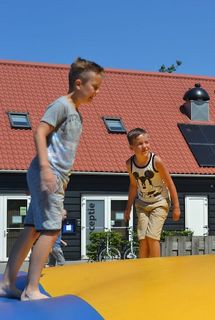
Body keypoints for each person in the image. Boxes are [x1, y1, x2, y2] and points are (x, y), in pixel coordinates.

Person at [0, 57, 104, 301]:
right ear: (78, 83)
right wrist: (45, 170)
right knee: (51, 229)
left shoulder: (76, 113)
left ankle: (6, 282)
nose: (96, 93)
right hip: (49, 173)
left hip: (51, 175)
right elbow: (39, 131)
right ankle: (31, 288)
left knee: (32, 229)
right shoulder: (62, 105)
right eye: (94, 87)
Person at [124, 128, 181, 258]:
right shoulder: (129, 164)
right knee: (143, 239)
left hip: (160, 202)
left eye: (146, 142)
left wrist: (176, 206)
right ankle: (143, 269)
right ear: (131, 147)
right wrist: (128, 208)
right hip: (142, 204)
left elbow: (170, 183)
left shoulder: (156, 161)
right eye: (140, 144)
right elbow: (133, 185)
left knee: (152, 236)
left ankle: (155, 270)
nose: (145, 146)